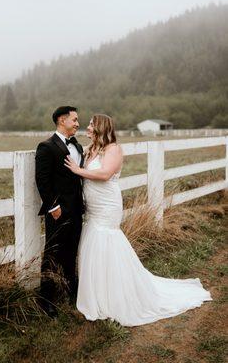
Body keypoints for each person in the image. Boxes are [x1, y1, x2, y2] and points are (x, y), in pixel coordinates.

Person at [64, 114, 212, 327]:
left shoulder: (113, 148)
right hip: (93, 207)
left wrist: (79, 170)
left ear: (100, 127)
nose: (86, 127)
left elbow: (105, 174)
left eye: (90, 124)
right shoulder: (90, 149)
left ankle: (115, 295)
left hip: (107, 205)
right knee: (92, 243)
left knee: (105, 242)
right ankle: (98, 292)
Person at [35, 106, 84, 317]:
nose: (77, 123)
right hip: (59, 211)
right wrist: (53, 208)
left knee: (72, 251)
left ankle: (70, 291)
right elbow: (42, 180)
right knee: (52, 254)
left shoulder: (78, 146)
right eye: (74, 119)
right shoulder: (46, 147)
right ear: (62, 120)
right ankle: (45, 299)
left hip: (76, 210)